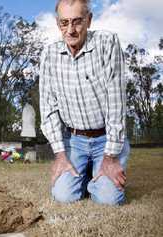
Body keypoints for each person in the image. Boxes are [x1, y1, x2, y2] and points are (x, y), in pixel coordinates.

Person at [39, 0, 130, 205]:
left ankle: (97, 172)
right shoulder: (49, 55)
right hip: (75, 140)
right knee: (63, 196)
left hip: (105, 138)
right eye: (64, 23)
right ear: (58, 24)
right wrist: (60, 156)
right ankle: (86, 174)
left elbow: (117, 104)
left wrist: (110, 158)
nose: (70, 30)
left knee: (109, 200)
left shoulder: (108, 43)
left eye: (77, 22)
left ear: (89, 20)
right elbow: (48, 109)